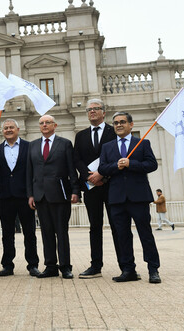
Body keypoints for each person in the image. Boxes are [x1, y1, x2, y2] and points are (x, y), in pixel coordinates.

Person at [99, 112, 162, 284]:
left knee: (145, 234)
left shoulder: (142, 143)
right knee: (122, 236)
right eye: (116, 123)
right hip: (117, 198)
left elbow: (152, 164)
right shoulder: (107, 147)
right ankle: (128, 270)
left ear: (131, 125)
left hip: (138, 197)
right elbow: (103, 169)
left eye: (122, 122)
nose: (118, 125)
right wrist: (116, 166)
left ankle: (153, 269)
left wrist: (131, 164)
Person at [27, 115, 80, 280]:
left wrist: (75, 190)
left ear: (55, 125)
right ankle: (50, 266)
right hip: (40, 196)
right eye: (41, 123)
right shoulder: (33, 146)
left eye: (47, 122)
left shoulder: (64, 144)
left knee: (61, 232)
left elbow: (72, 169)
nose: (44, 125)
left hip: (60, 195)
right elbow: (29, 172)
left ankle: (65, 267)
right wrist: (30, 195)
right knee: (46, 232)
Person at [73, 99, 121, 279]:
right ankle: (95, 265)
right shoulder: (81, 135)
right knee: (95, 227)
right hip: (90, 187)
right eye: (89, 109)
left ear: (104, 112)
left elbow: (118, 156)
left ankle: (125, 264)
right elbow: (76, 159)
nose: (92, 112)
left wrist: (102, 175)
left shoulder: (113, 131)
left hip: (111, 185)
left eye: (96, 109)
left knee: (118, 226)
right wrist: (88, 176)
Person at [0, 119, 39, 277]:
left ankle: (33, 265)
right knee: (7, 233)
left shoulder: (29, 146)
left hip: (25, 196)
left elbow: (34, 172)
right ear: (2, 131)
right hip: (5, 197)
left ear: (18, 129)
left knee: (29, 233)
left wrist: (33, 194)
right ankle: (7, 265)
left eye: (11, 127)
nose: (8, 130)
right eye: (5, 128)